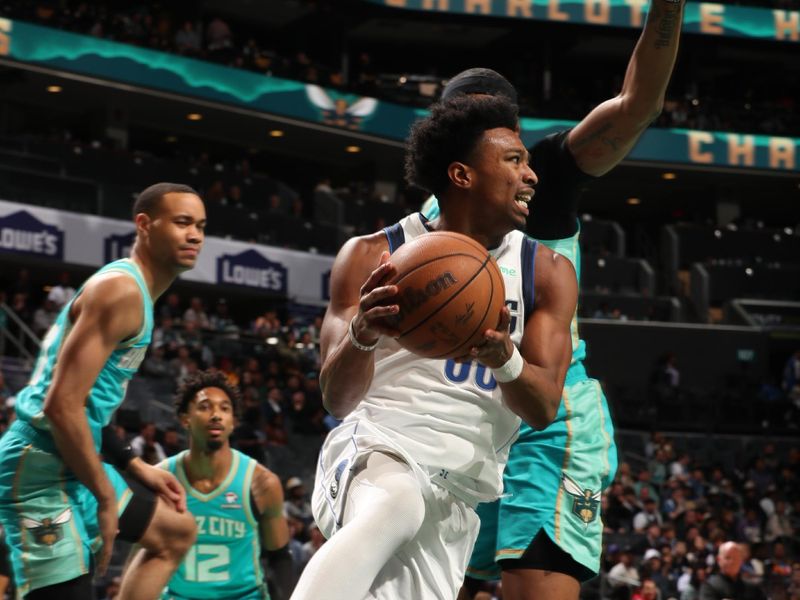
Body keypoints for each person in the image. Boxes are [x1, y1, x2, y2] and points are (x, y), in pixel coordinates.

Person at [423, 1, 685, 597]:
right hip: (462, 425)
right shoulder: (423, 225)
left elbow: (637, 106)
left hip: (548, 420)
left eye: (505, 130)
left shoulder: (546, 172)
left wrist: (666, 9)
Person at [291, 94, 577, 600]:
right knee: (397, 504)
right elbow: (336, 400)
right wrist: (363, 334)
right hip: (377, 448)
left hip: (460, 492)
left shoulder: (547, 273)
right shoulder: (372, 254)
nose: (531, 175)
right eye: (514, 161)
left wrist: (503, 357)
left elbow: (543, 408)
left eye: (529, 163)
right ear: (463, 175)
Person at [0, 182, 205, 599]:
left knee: (175, 532)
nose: (195, 235)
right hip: (38, 474)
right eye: (182, 222)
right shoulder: (122, 290)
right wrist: (106, 496)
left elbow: (85, 408)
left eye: (201, 225)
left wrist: (132, 464)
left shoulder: (135, 290)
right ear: (144, 225)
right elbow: (61, 407)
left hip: (72, 457)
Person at [157, 371, 292, 600]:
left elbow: (280, 558)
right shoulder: (160, 479)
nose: (216, 415)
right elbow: (142, 555)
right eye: (205, 406)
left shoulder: (262, 483)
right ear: (184, 418)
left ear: (233, 423)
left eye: (224, 408)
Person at [699, 542, 767, 600]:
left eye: (736, 557)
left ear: (741, 560)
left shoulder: (752, 587)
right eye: (727, 558)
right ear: (718, 560)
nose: (732, 561)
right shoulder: (709, 586)